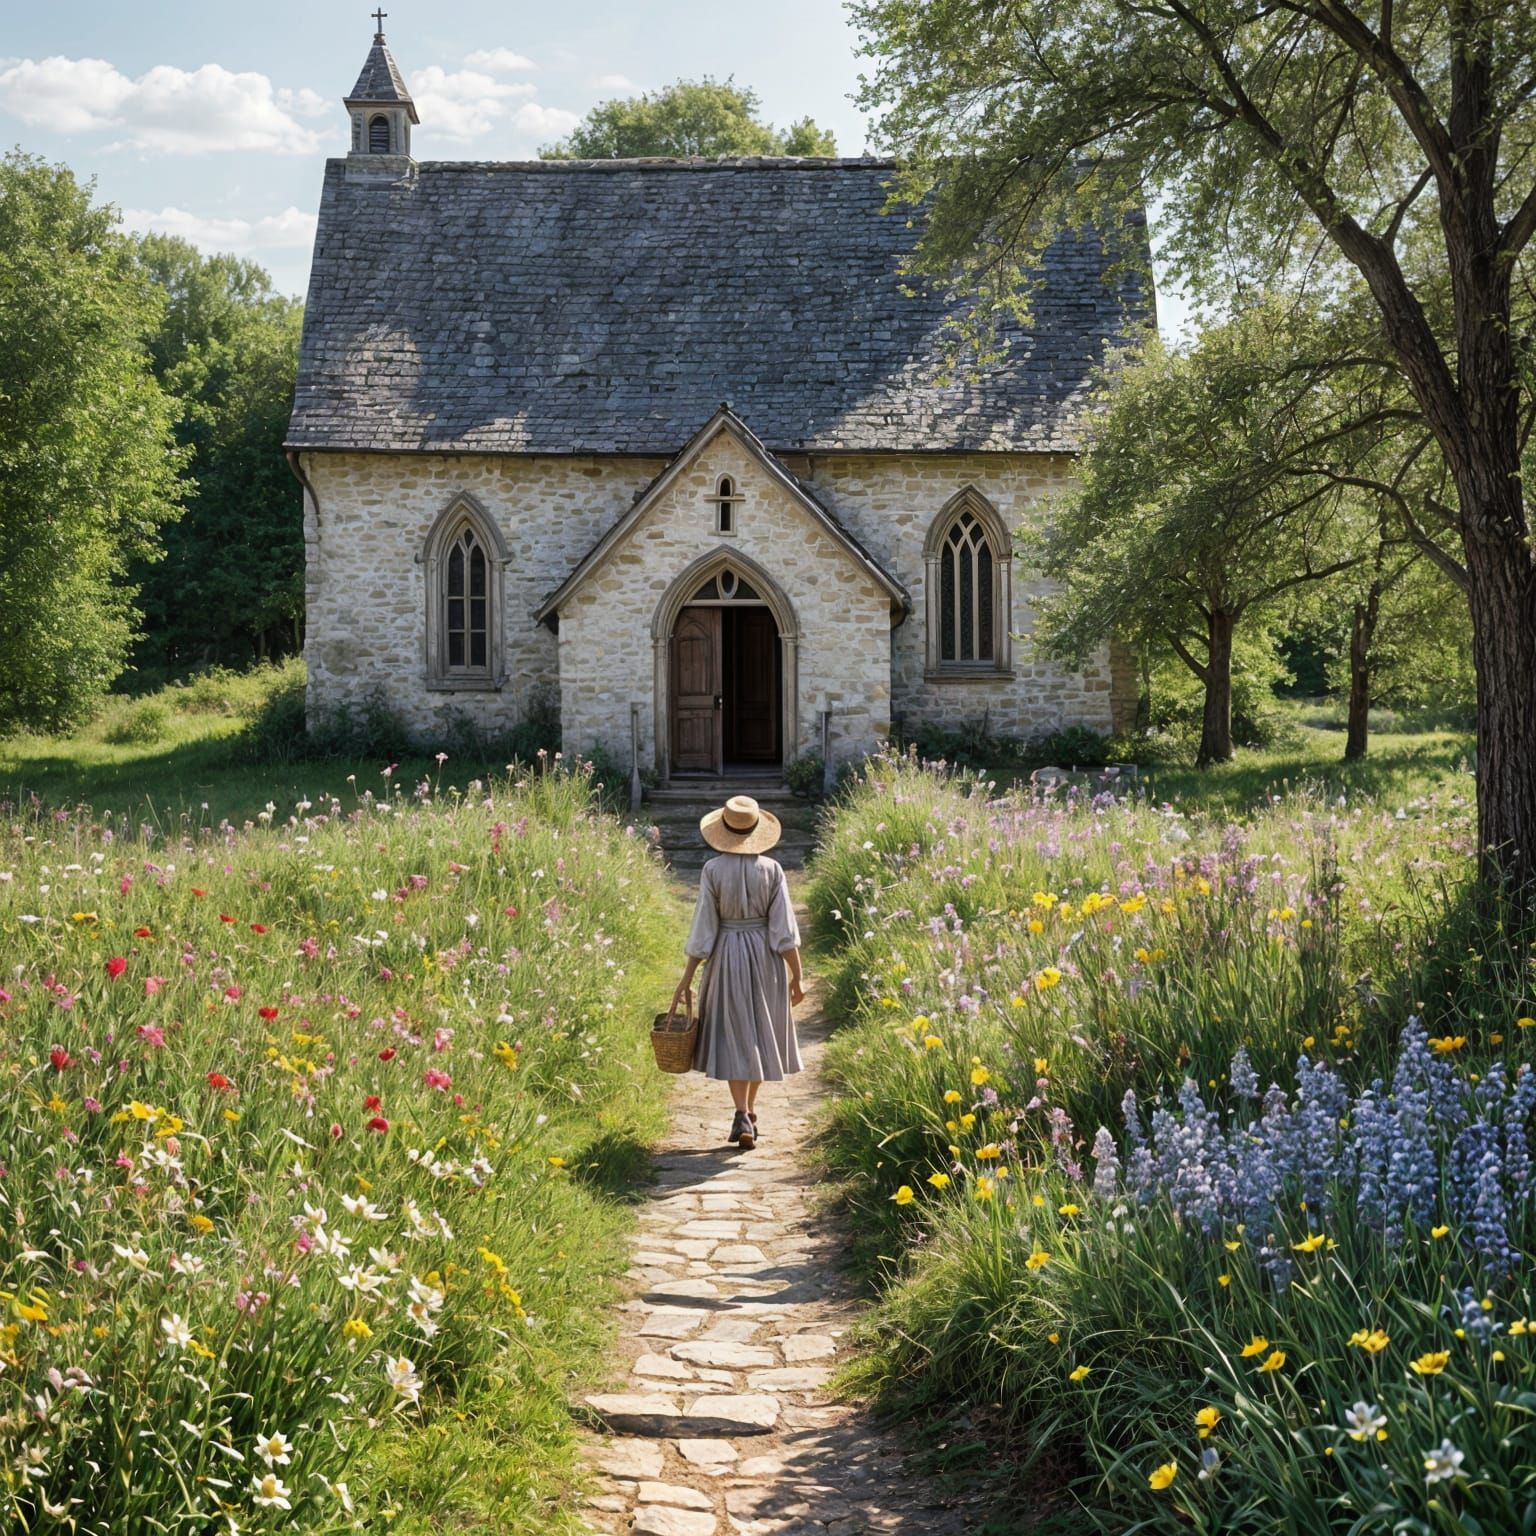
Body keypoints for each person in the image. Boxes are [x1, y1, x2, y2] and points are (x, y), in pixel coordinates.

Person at [672, 795, 805, 1150]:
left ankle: (741, 1111)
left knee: (735, 1037)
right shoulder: (772, 870)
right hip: (765, 958)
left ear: (723, 830)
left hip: (726, 953)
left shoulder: (713, 870)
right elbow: (784, 931)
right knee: (761, 1035)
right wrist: (797, 975)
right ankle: (749, 1112)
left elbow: (704, 929)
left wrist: (686, 979)